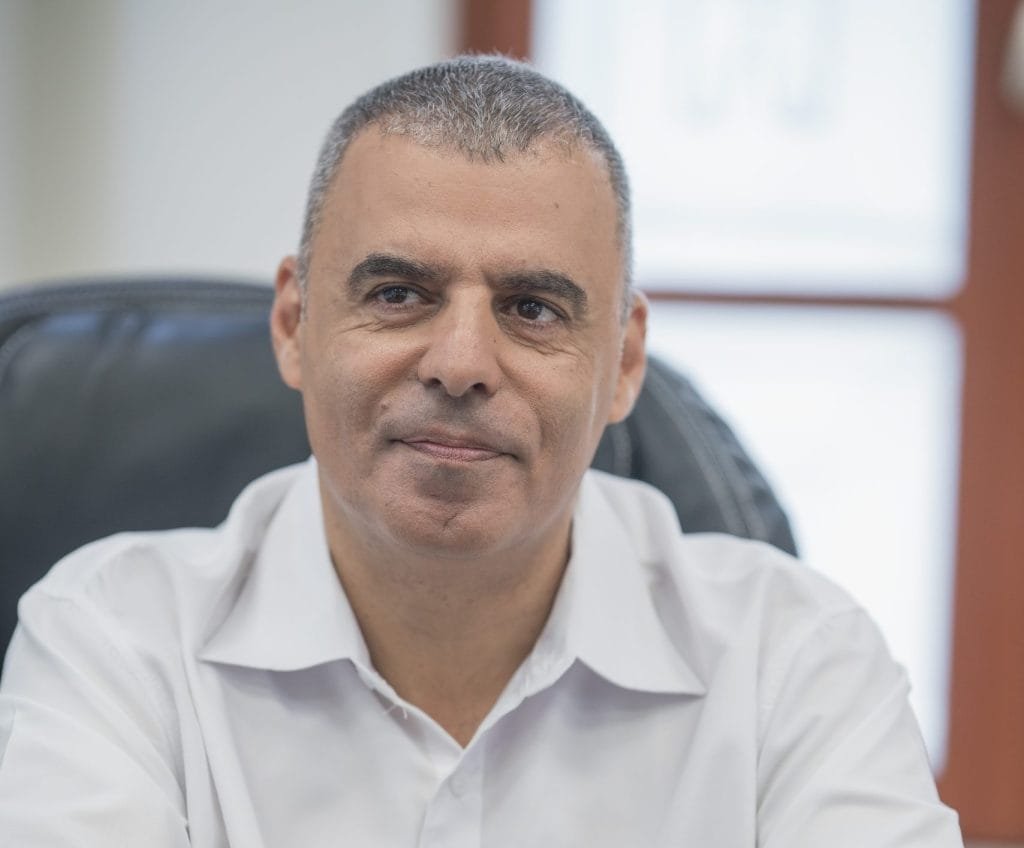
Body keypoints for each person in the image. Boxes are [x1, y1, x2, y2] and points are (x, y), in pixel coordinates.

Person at [0, 56, 962, 846]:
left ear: (623, 362)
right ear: (293, 324)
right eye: (397, 295)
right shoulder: (114, 640)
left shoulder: (795, 660)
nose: (460, 365)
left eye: (532, 309)